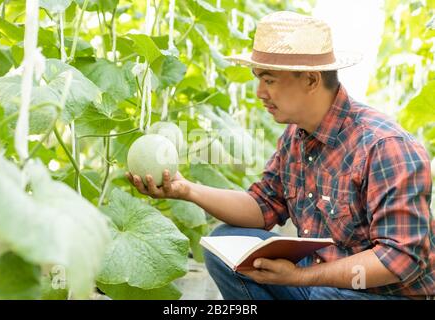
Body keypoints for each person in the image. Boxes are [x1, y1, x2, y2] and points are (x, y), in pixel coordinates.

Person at [126, 11, 434, 300]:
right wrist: (186, 189)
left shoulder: (384, 146)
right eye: (258, 78)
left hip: (376, 293)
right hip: (318, 285)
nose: (260, 92)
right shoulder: (295, 137)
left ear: (311, 80)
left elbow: (401, 259)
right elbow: (262, 207)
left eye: (269, 79)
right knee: (223, 244)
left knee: (321, 295)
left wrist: (302, 277)